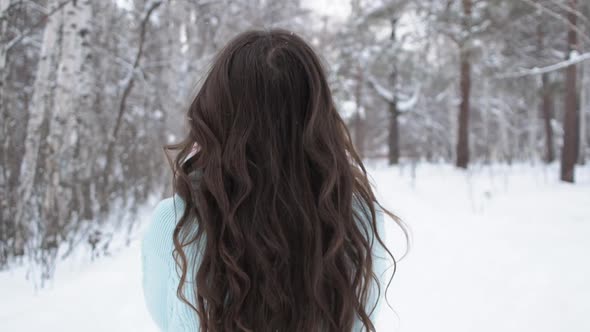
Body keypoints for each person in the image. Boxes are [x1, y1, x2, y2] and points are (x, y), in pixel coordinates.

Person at [141, 28, 405, 332]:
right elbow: (357, 320)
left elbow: (168, 318)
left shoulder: (176, 220)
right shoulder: (356, 217)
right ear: (318, 119)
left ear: (216, 116)